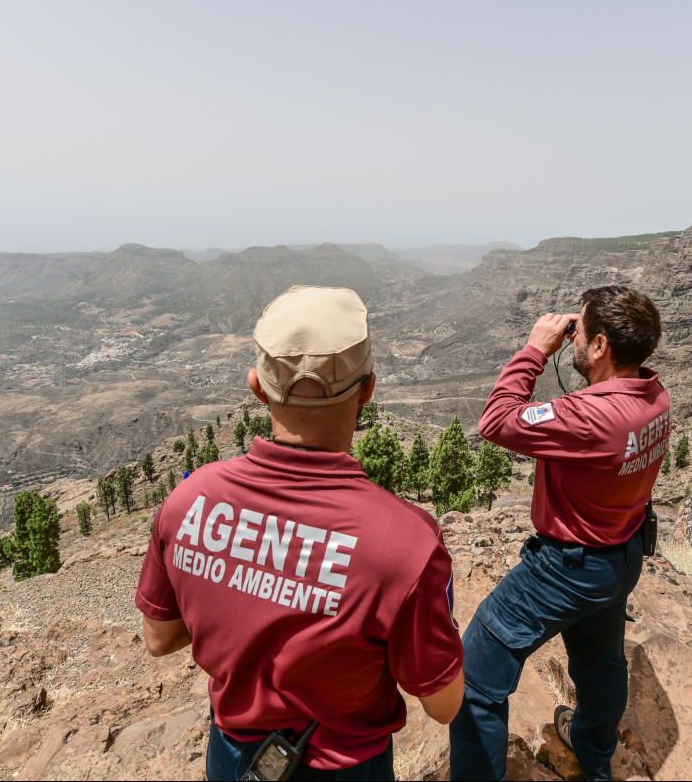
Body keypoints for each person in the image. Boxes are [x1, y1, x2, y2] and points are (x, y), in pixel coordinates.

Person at [135, 285, 465, 781]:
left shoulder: (187, 502)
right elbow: (443, 705)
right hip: (347, 768)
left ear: (257, 387)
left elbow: (159, 638)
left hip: (231, 758)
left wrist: (243, 597)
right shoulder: (406, 546)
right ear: (368, 390)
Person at [449, 285, 670, 781]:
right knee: (602, 666)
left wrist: (534, 349)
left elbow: (496, 422)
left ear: (599, 347)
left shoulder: (592, 416)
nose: (573, 337)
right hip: (621, 556)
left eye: (581, 330)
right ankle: (593, 754)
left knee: (476, 679)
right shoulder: (655, 395)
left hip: (566, 568)